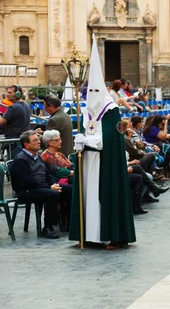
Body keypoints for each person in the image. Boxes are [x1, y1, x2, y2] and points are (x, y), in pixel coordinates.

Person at [69, 39, 136, 250]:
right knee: (88, 198)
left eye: (96, 92)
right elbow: (89, 133)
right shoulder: (87, 112)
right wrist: (79, 142)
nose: (93, 97)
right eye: (91, 93)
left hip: (104, 164)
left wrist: (86, 140)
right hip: (88, 162)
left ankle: (110, 234)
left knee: (102, 197)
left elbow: (107, 139)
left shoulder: (111, 110)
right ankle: (88, 234)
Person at [11, 131, 72, 239]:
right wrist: (49, 187)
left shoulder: (38, 157)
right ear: (27, 144)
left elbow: (47, 174)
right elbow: (28, 181)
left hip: (41, 187)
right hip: (27, 191)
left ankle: (70, 222)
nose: (39, 142)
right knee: (51, 193)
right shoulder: (21, 159)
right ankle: (48, 228)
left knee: (70, 189)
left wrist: (54, 184)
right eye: (35, 140)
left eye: (38, 139)